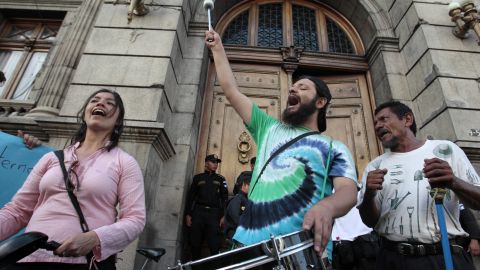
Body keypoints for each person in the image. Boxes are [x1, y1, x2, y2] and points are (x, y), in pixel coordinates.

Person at [205, 30, 357, 256]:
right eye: (293, 87)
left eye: (303, 88)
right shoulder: (268, 128)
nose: (293, 89)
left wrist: (328, 206)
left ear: (321, 102)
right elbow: (230, 90)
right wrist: (217, 47)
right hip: (246, 242)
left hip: (300, 250)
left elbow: (348, 191)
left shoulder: (334, 147)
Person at [0, 89, 146, 270]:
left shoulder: (125, 162)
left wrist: (95, 238)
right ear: (84, 113)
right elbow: (18, 211)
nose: (101, 103)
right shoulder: (51, 158)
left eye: (110, 103)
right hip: (28, 259)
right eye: (95, 100)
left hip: (85, 263)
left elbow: (135, 219)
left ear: (118, 121)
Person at [358, 101, 480, 270]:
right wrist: (369, 195)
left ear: (407, 119)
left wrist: (453, 181)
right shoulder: (375, 166)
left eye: (384, 119)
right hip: (393, 259)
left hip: (445, 257)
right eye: (375, 123)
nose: (378, 126)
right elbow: (369, 221)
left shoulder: (445, 149)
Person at [185, 154, 228, 260]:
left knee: (214, 245)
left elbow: (224, 199)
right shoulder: (198, 178)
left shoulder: (221, 179)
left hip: (214, 214)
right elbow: (191, 198)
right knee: (195, 243)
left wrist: (223, 215)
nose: (216, 164)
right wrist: (188, 214)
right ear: (206, 163)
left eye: (217, 162)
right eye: (213, 162)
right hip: (198, 213)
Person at [224, 175, 250, 241]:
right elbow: (236, 218)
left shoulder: (246, 199)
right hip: (235, 233)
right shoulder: (237, 200)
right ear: (244, 185)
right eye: (250, 185)